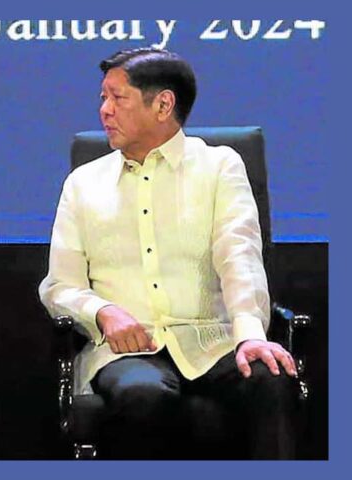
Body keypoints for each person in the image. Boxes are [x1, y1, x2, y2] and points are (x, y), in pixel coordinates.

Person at [39, 48, 298, 459]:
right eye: (103, 98)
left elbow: (240, 256)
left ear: (163, 105)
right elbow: (59, 286)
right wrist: (103, 312)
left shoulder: (219, 167)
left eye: (117, 98)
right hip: (129, 352)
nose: (104, 110)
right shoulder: (83, 184)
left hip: (212, 341)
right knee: (142, 395)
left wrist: (250, 333)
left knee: (271, 378)